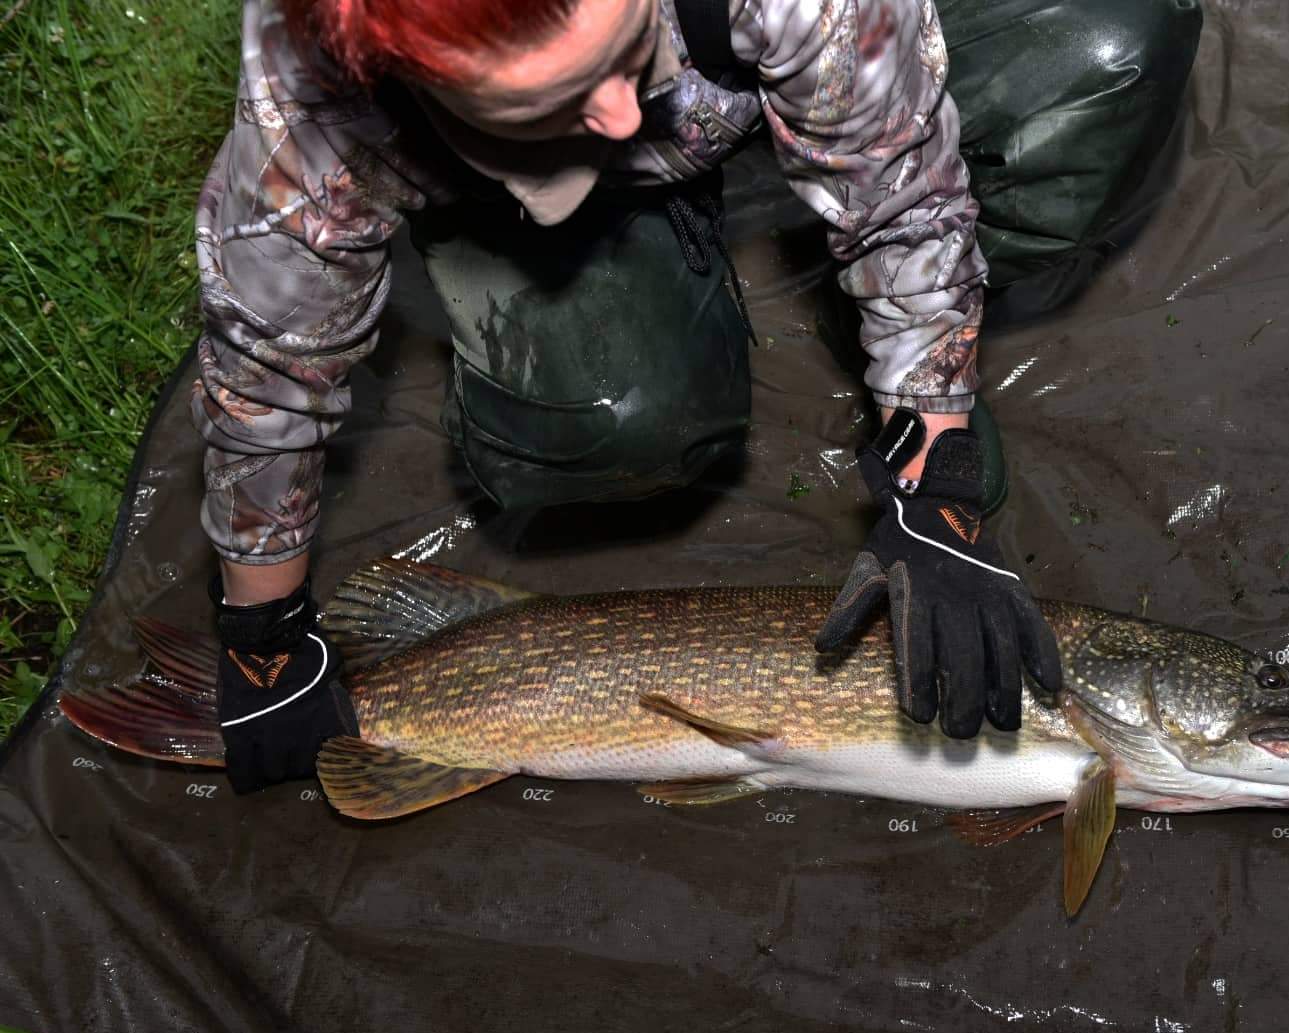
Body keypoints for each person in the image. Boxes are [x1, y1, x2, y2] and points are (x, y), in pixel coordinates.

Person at [195, 0, 1203, 793]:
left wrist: (934, 465)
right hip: (536, 196)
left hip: (784, 37)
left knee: (1114, 44)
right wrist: (263, 637)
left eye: (623, 45)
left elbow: (906, 202)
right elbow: (270, 369)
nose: (622, 116)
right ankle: (616, 215)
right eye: (556, 95)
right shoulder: (317, 99)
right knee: (615, 425)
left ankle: (827, 220)